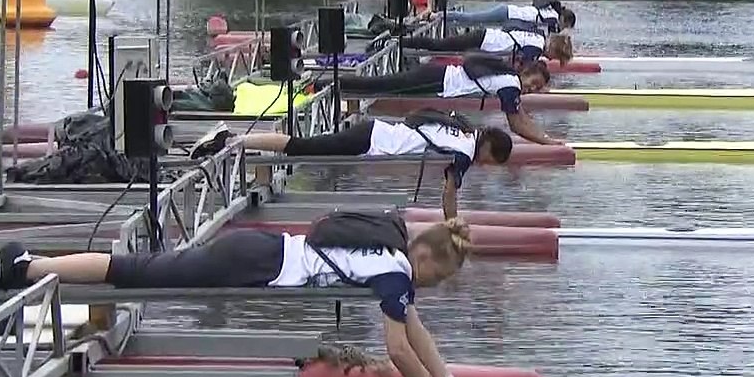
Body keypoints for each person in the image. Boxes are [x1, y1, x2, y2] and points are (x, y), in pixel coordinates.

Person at [0, 213, 477, 377]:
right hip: (249, 262)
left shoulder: (392, 251)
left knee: (139, 267)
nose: (433, 285)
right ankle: (29, 266)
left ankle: (34, 265)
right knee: (131, 271)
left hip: (257, 252)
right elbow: (399, 351)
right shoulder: (396, 272)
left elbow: (415, 331)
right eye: (438, 276)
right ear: (425, 256)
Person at [188, 110, 515, 219]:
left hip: (374, 130)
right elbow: (449, 194)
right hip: (369, 140)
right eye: (491, 162)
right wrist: (452, 228)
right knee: (302, 148)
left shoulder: (463, 127)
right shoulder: (464, 152)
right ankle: (232, 138)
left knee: (305, 147)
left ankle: (236, 140)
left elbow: (420, 117)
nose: (485, 166)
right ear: (488, 149)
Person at [332, 53, 563, 145]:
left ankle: (334, 85)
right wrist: (548, 143)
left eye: (537, 88)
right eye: (534, 82)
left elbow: (521, 116)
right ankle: (328, 86)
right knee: (379, 86)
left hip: (438, 77)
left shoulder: (511, 80)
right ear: (526, 72)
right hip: (437, 80)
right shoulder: (511, 85)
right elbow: (516, 125)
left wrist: (545, 136)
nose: (532, 88)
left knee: (381, 85)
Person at [400, 26, 574, 67]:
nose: (551, 60)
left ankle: (404, 44)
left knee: (440, 46)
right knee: (438, 46)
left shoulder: (538, 37)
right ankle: (401, 42)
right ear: (553, 50)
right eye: (556, 57)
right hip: (482, 39)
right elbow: (524, 71)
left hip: (486, 37)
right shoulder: (535, 50)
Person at [435, 0, 576, 37]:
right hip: (506, 13)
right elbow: (551, 34)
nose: (564, 29)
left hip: (508, 14)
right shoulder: (553, 17)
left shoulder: (551, 11)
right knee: (474, 19)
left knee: (475, 21)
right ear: (565, 20)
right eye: (567, 26)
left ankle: (446, 19)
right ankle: (441, 15)